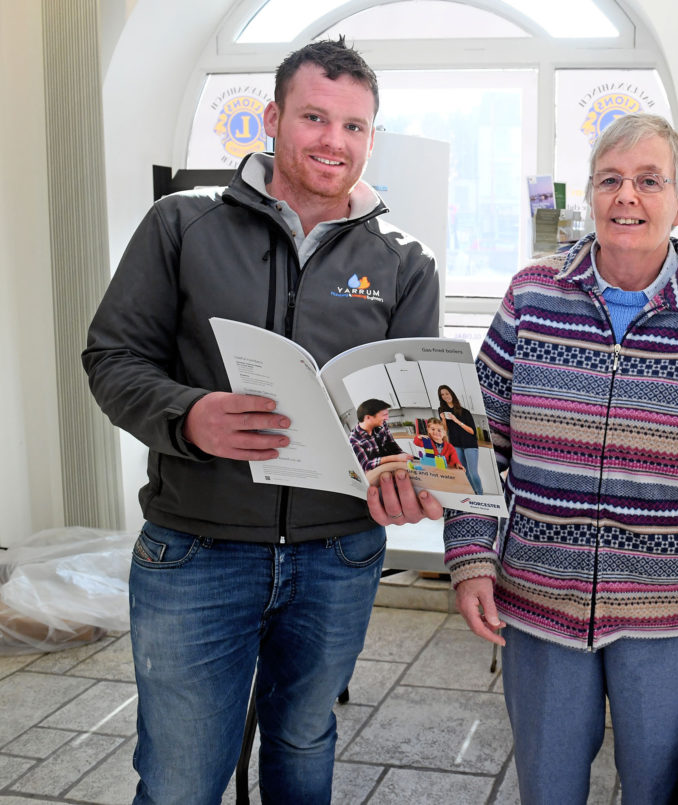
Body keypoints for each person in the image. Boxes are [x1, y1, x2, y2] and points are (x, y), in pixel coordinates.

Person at [81, 38, 442, 804]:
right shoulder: (181, 226)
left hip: (338, 555)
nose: (333, 141)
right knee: (181, 775)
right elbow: (112, 358)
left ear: (371, 136)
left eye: (353, 126)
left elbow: (403, 417)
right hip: (198, 550)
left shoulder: (407, 261)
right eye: (314, 117)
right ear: (273, 118)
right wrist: (189, 415)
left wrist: (412, 475)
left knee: (305, 740)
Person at [443, 113, 678, 804]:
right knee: (549, 786)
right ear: (589, 194)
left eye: (649, 181)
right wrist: (470, 556)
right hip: (537, 594)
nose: (628, 197)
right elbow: (475, 436)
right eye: (611, 180)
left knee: (655, 788)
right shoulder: (533, 293)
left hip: (667, 605)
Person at [437, 384, 483, 493]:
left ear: (451, 394)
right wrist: (443, 419)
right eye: (442, 395)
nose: (445, 396)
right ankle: (474, 493)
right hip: (456, 444)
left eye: (447, 393)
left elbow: (472, 431)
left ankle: (481, 494)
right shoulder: (442, 410)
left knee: (473, 473)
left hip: (469, 444)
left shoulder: (464, 412)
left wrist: (456, 420)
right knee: (464, 472)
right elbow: (445, 430)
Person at [350, 398, 414, 471]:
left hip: (394, 465)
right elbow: (366, 465)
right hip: (378, 473)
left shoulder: (382, 424)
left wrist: (404, 456)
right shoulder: (354, 440)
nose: (387, 418)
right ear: (368, 417)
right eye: (384, 415)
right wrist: (396, 458)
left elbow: (392, 445)